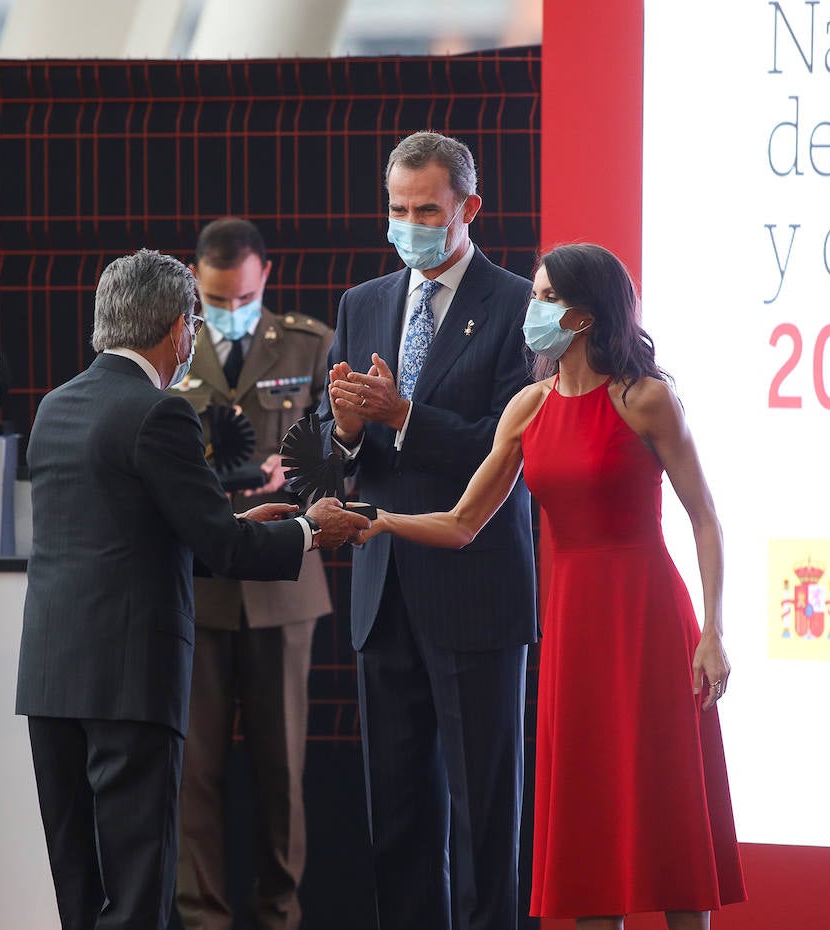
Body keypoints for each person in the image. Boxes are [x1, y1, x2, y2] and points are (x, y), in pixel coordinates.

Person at [354, 243, 747, 929]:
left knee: (669, 813)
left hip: (649, 620)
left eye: (543, 299)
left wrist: (713, 632)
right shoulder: (527, 408)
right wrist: (380, 521)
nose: (529, 310)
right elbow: (461, 523)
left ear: (584, 317)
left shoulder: (647, 399)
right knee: (589, 830)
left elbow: (706, 518)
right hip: (572, 630)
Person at [14, 248, 369, 930]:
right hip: (130, 681)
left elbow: (137, 533)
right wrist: (307, 529)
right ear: (180, 328)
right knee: (136, 884)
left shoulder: (57, 406)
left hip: (54, 681)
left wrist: (232, 523)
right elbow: (224, 548)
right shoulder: (160, 412)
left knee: (80, 887)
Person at [321, 131, 537, 930]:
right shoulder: (364, 302)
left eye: (426, 210)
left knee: (484, 818)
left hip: (475, 588)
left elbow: (507, 440)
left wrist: (405, 414)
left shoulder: (520, 303)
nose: (409, 224)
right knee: (399, 817)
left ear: (468, 209)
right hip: (384, 591)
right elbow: (327, 446)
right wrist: (343, 428)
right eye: (396, 209)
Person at [172, 219, 334, 930]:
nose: (224, 308)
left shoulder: (310, 342)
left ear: (264, 276)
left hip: (281, 580)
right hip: (197, 582)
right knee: (192, 772)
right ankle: (203, 915)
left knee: (282, 774)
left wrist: (298, 469)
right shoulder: (171, 347)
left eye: (237, 296)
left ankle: (279, 914)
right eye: (211, 298)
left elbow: (347, 450)